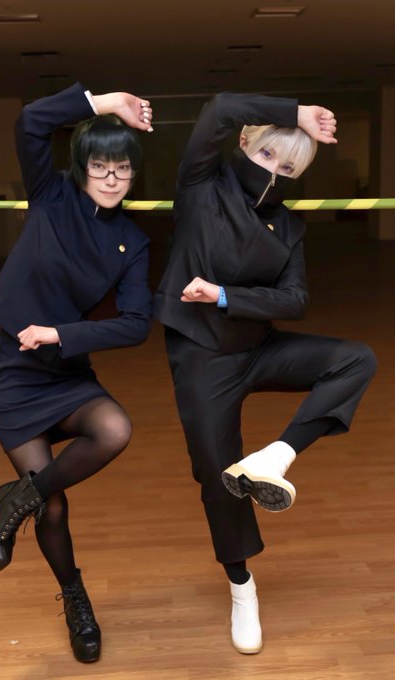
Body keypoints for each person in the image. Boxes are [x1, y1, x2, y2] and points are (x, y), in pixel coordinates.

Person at [154, 91, 376, 654]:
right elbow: (220, 108)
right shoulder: (201, 184)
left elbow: (295, 300)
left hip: (258, 346)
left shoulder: (288, 226)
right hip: (203, 356)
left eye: (290, 168)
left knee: (356, 359)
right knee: (216, 476)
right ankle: (242, 588)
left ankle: (276, 456)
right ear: (247, 143)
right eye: (268, 155)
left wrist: (225, 295)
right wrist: (296, 115)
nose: (275, 172)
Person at [0, 82, 153, 664]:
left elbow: (136, 325)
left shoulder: (132, 241)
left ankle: (15, 500)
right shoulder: (51, 195)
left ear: (133, 174)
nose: (110, 178)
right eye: (99, 166)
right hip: (14, 373)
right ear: (82, 168)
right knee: (52, 506)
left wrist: (61, 335)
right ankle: (75, 597)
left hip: (65, 368)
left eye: (121, 168)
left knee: (115, 428)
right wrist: (107, 102)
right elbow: (30, 120)